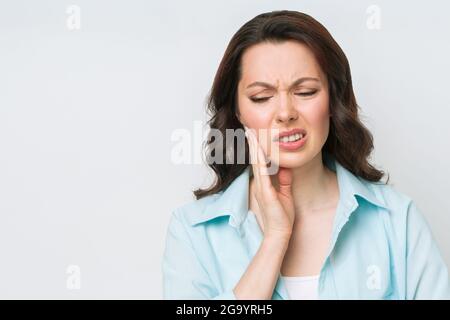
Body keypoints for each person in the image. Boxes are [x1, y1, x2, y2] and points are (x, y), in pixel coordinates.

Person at [162, 10, 450, 299]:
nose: (286, 113)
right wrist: (275, 241)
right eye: (262, 97)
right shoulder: (192, 231)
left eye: (306, 91)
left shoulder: (397, 220)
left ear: (333, 99)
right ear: (238, 112)